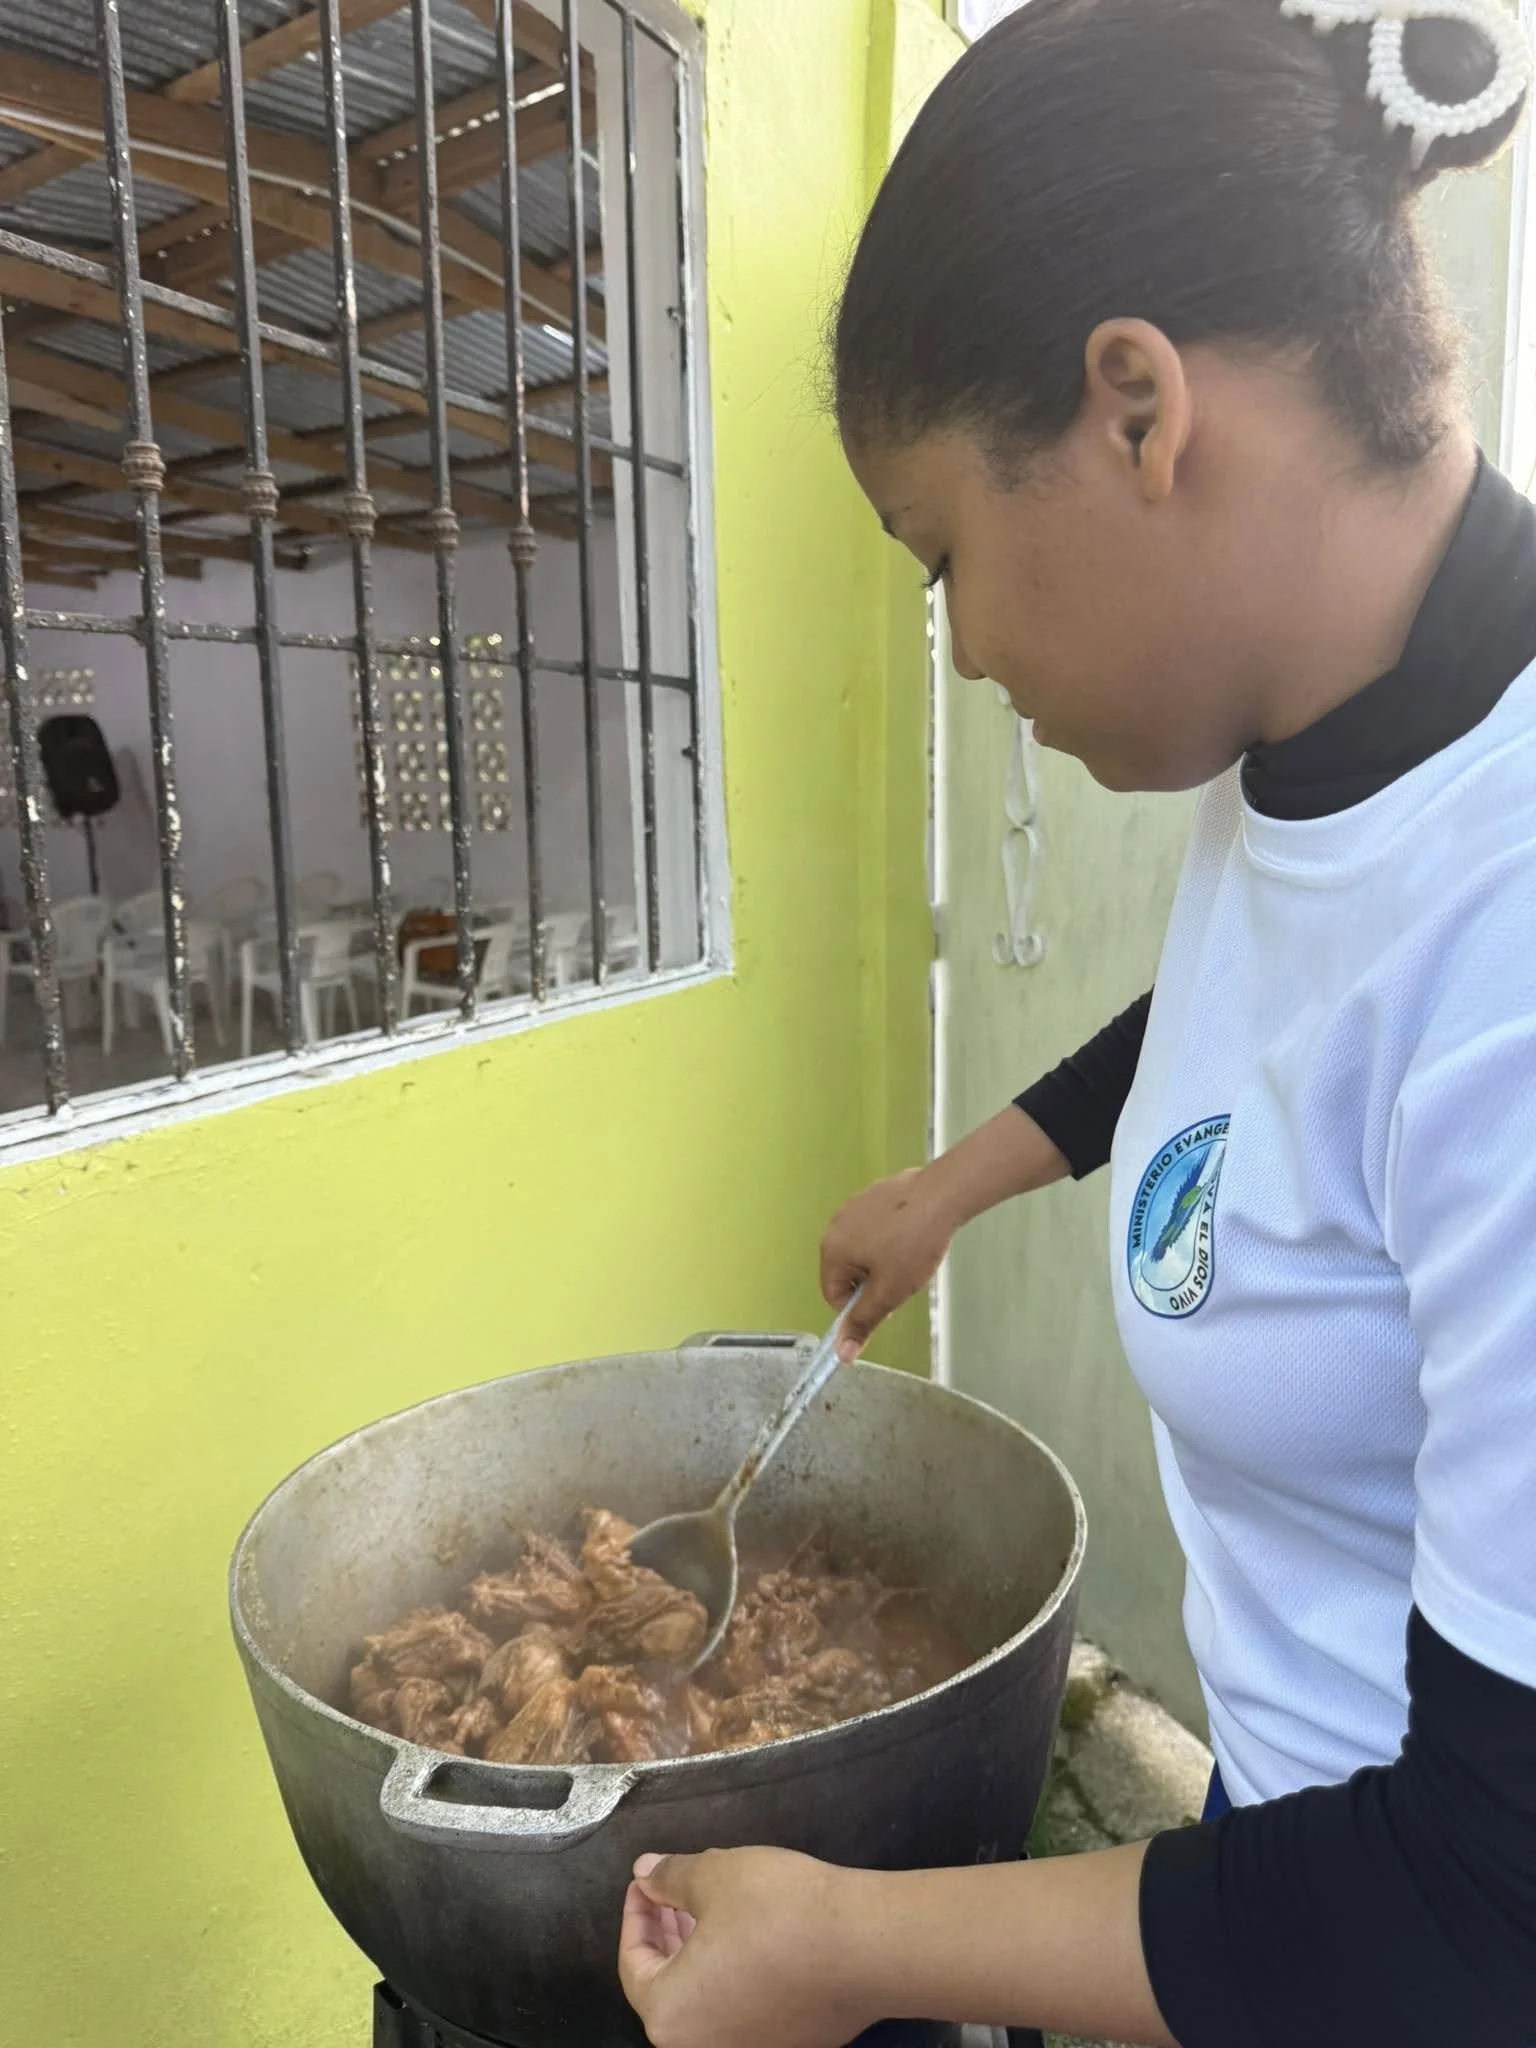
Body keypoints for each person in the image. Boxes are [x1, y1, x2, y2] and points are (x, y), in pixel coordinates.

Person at [616, 0, 1536, 2042]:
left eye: (943, 552)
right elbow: (1249, 1016)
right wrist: (965, 1175)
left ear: (1139, 409)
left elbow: (1492, 1922)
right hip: (1292, 1903)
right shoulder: (1320, 743)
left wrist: (841, 1947)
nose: (962, 651)